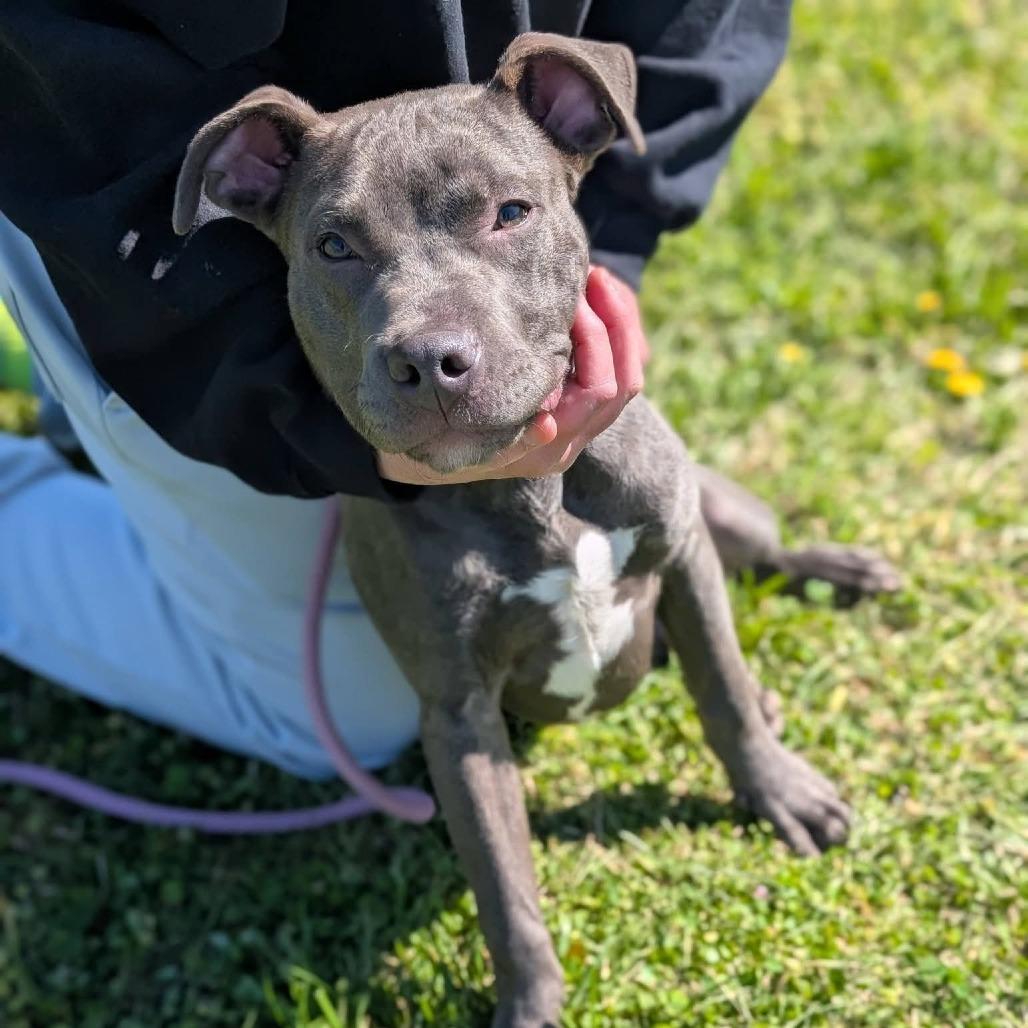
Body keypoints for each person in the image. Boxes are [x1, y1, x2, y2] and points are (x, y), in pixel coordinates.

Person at [0, 3, 792, 779]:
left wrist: (596, 256)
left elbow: (701, 20)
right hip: (127, 242)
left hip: (436, 217)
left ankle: (76, 409)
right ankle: (44, 451)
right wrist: (313, 423)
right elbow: (94, 140)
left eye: (510, 216)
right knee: (345, 707)